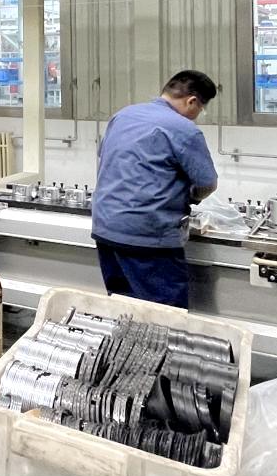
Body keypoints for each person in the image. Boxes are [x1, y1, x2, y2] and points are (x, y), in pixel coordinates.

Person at [91, 70, 219, 309]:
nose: (198, 115)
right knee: (164, 314)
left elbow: (111, 159)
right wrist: (190, 196)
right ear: (192, 101)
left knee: (122, 308)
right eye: (201, 109)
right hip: (147, 236)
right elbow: (207, 183)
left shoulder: (123, 115)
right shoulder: (184, 129)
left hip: (106, 228)